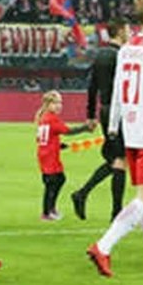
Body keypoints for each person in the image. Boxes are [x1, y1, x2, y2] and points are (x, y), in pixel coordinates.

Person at [86, 0, 143, 278]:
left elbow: (117, 92)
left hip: (130, 129)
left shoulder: (127, 49)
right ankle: (104, 245)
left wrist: (114, 127)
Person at [70, 19, 128, 221]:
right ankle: (117, 212)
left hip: (104, 110)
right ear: (120, 31)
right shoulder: (120, 56)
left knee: (115, 159)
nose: (129, 32)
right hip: (117, 112)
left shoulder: (100, 55)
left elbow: (92, 86)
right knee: (120, 160)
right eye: (127, 29)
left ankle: (82, 193)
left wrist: (90, 114)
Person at [35, 91, 93, 221]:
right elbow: (67, 131)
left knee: (58, 179)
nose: (59, 106)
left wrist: (59, 145)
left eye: (60, 103)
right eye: (55, 103)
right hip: (49, 156)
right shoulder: (51, 118)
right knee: (53, 183)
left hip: (46, 154)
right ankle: (47, 212)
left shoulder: (44, 117)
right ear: (48, 104)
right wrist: (85, 128)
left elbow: (44, 137)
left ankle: (51, 208)